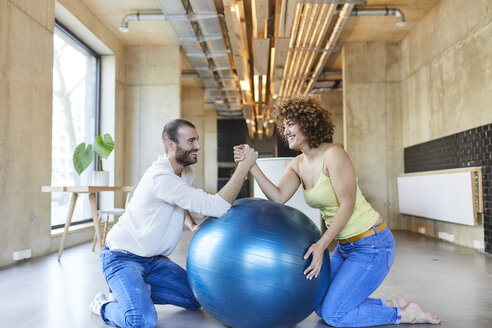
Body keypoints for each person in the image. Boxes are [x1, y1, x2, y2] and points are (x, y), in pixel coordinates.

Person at [234, 95, 440, 327]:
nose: (286, 131)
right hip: (345, 246)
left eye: (291, 124)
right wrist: (252, 166)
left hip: (372, 244)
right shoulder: (297, 164)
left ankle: (406, 315)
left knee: (334, 315)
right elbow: (278, 196)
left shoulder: (334, 154)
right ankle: (392, 304)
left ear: (308, 123)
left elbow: (347, 205)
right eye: (284, 126)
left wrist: (321, 245)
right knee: (320, 304)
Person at [89, 118, 257, 328]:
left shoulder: (185, 171)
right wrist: (244, 167)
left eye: (197, 140)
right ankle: (103, 304)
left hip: (153, 261)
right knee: (141, 320)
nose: (197, 146)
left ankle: (137, 290)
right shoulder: (162, 177)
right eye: (191, 141)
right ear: (171, 145)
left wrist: (192, 225)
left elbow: (180, 201)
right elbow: (216, 206)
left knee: (199, 298)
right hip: (122, 257)